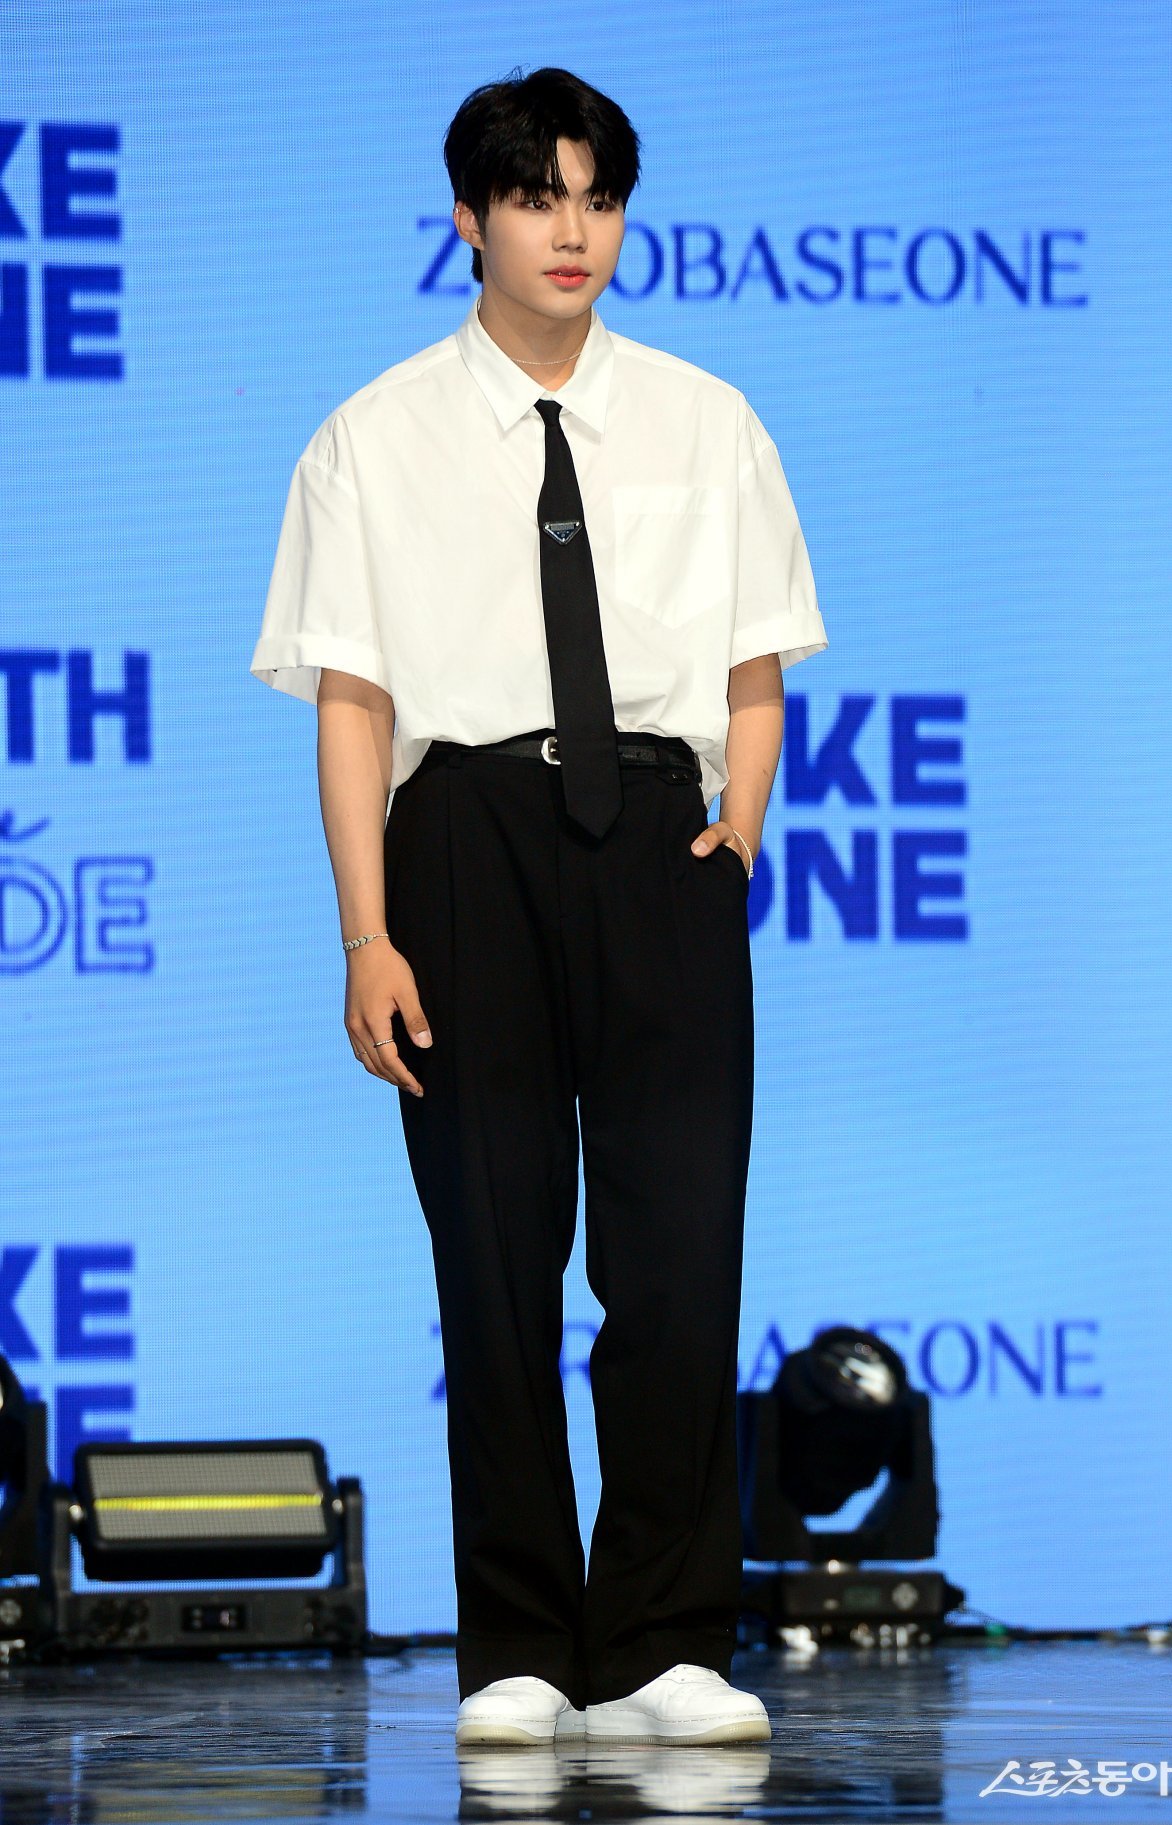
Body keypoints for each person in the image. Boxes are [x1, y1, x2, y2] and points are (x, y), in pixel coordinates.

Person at [250, 65, 827, 1748]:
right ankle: (515, 1639)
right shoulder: (372, 437)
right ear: (469, 220)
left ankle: (664, 1642)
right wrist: (368, 933)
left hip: (659, 843)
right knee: (493, 1258)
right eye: (535, 197)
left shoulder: (709, 420)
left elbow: (755, 659)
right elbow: (354, 701)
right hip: (464, 840)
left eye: (597, 196)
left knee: (679, 1252)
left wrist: (735, 829)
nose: (572, 230)